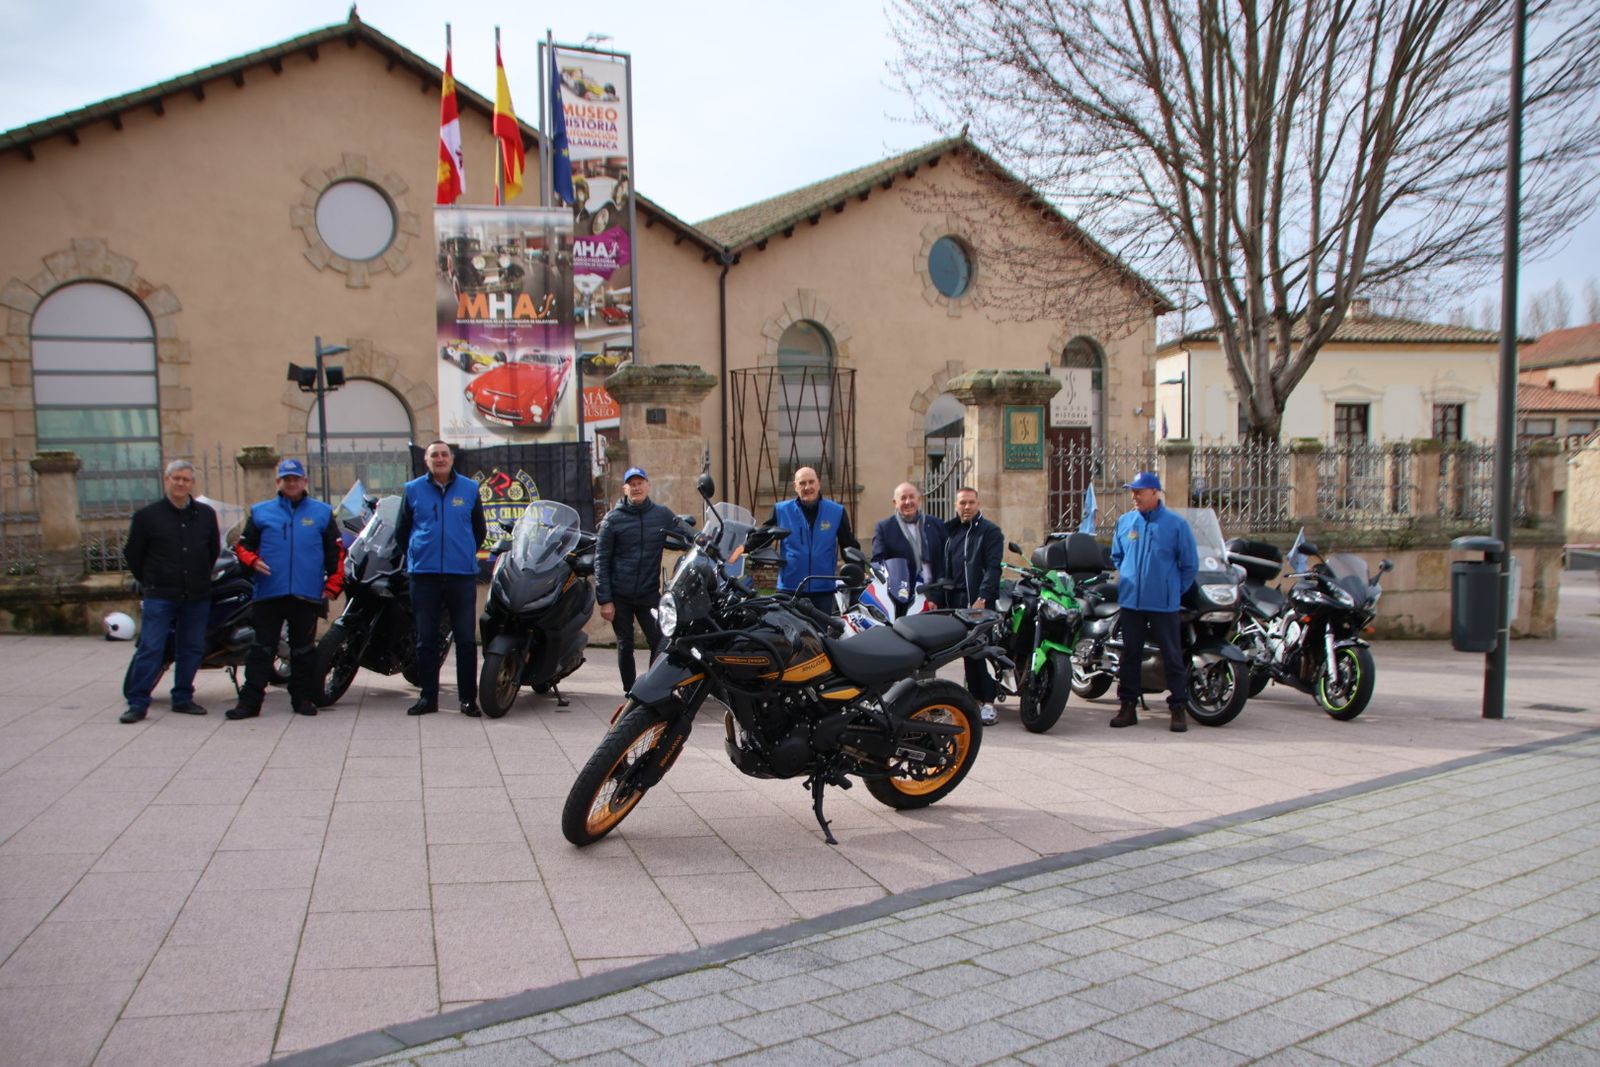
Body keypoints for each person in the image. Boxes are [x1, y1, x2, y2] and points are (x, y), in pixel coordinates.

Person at [225, 458, 343, 720]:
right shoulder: (260, 511)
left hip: (306, 593)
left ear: (304, 482)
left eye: (296, 479)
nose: (292, 483)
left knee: (303, 650)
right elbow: (242, 547)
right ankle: (250, 702)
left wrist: (332, 587)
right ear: (278, 482)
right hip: (269, 592)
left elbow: (336, 553)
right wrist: (253, 562)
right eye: (286, 479)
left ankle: (302, 698)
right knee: (261, 650)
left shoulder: (322, 513)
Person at [119, 459, 220, 723]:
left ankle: (183, 698)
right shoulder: (147, 517)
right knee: (151, 647)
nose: (181, 483)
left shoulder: (205, 515)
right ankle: (138, 702)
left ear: (192, 484)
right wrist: (151, 579)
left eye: (186, 479)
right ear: (167, 480)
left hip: (196, 594)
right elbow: (133, 555)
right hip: (160, 594)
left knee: (191, 648)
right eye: (176, 478)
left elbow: (212, 551)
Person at [394, 440, 488, 716]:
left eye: (444, 454)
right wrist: (418, 553)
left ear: (452, 458)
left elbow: (478, 530)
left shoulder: (470, 489)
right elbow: (402, 531)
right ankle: (428, 698)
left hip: (461, 575)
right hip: (424, 575)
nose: (440, 458)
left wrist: (462, 550)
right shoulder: (412, 490)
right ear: (426, 460)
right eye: (434, 455)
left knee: (466, 640)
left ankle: (468, 699)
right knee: (425, 639)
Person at [1109, 471, 1198, 732]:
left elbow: (1189, 564)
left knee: (1171, 654)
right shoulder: (1126, 522)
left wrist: (1173, 588)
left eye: (1139, 491)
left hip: (1163, 603)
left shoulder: (1175, 525)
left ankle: (1178, 708)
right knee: (1130, 655)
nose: (1134, 496)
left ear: (1154, 493)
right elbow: (1118, 556)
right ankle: (1127, 706)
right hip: (1131, 602)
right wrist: (1128, 576)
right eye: (1132, 491)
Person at [596, 466, 674, 691]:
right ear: (625, 488)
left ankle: (650, 688)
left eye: (640, 483)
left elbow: (684, 530)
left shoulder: (661, 514)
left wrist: (703, 539)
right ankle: (630, 692)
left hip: (648, 593)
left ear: (648, 486)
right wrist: (605, 600)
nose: (637, 487)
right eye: (632, 484)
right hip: (620, 595)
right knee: (625, 644)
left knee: (659, 641)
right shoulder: (613, 519)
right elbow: (601, 560)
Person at [944, 486, 1004, 725]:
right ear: (956, 505)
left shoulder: (989, 532)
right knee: (967, 654)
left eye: (971, 502)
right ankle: (975, 700)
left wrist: (982, 597)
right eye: (962, 503)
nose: (966, 507)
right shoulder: (952, 532)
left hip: (978, 602)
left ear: (978, 504)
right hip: (956, 602)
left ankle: (988, 702)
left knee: (980, 651)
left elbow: (993, 568)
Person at [766, 466, 859, 614]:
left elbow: (848, 545)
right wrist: (743, 548)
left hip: (823, 590)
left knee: (821, 635)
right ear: (795, 487)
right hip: (790, 589)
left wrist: (857, 570)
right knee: (787, 636)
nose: (807, 487)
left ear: (818, 484)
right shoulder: (781, 510)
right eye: (802, 483)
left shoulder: (836, 511)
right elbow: (763, 536)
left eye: (811, 482)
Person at [871, 481, 947, 614]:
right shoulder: (884, 528)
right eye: (903, 498)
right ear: (895, 503)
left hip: (934, 595)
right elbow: (879, 562)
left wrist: (935, 597)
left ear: (919, 499)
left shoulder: (936, 525)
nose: (908, 502)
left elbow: (945, 562)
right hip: (902, 597)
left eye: (912, 497)